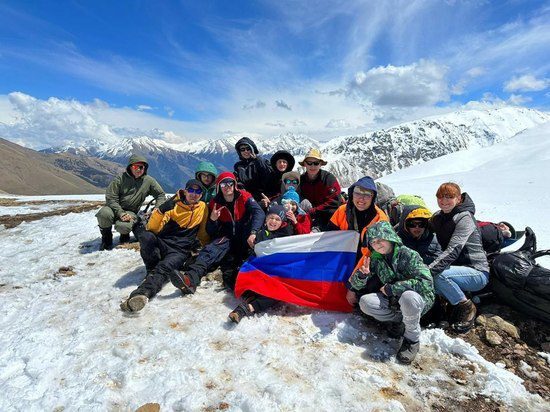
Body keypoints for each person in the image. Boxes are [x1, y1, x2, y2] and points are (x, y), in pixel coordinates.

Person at [348, 221, 434, 364]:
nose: (378, 244)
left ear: (390, 237)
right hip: (395, 302)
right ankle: (399, 323)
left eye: (380, 239)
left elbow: (425, 283)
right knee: (365, 302)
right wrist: (362, 276)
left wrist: (393, 288)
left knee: (408, 297)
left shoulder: (408, 254)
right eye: (374, 242)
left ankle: (411, 340)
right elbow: (356, 285)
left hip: (418, 300)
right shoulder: (375, 259)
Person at [120, 179, 209, 312]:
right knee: (146, 236)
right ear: (185, 191)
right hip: (163, 243)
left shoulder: (202, 208)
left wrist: (208, 248)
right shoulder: (173, 204)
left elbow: (202, 233)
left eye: (198, 191)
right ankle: (151, 269)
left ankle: (142, 294)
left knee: (164, 268)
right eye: (191, 190)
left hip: (179, 250)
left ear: (201, 194)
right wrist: (160, 211)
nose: (194, 194)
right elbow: (152, 228)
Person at [169, 171, 265, 293]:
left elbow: (259, 213)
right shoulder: (215, 203)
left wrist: (253, 232)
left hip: (245, 236)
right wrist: (213, 220)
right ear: (219, 186)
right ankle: (190, 279)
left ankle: (250, 288)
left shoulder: (245, 197)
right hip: (227, 237)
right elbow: (210, 231)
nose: (227, 186)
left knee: (248, 258)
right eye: (223, 184)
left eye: (230, 183)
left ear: (234, 184)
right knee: (210, 251)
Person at [429, 183, 490, 332]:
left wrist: (428, 270)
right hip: (456, 270)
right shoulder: (438, 217)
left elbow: (453, 250)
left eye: (449, 197)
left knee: (437, 276)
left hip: (476, 271)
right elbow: (422, 228)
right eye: (440, 197)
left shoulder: (464, 217)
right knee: (431, 276)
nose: (444, 201)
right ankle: (447, 309)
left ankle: (467, 308)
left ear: (459, 199)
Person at [326, 176, 389, 306]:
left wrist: (352, 287)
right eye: (358, 193)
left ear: (373, 198)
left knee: (367, 291)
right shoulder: (342, 211)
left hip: (367, 265)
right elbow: (329, 239)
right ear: (351, 193)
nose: (361, 198)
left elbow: (371, 257)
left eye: (367, 195)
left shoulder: (380, 220)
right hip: (344, 258)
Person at [228, 204, 294, 323]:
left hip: (273, 276)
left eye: (277, 219)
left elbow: (300, 239)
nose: (273, 221)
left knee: (278, 293)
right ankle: (250, 296)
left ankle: (246, 309)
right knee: (232, 276)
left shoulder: (285, 236)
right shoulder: (259, 234)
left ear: (282, 222)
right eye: (271, 218)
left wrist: (295, 222)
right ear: (266, 219)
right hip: (257, 272)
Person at [96, 154, 165, 250]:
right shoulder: (120, 179)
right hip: (113, 208)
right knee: (103, 214)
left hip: (130, 211)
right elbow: (111, 198)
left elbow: (160, 195)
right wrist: (120, 213)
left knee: (123, 226)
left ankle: (124, 236)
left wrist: (157, 208)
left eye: (142, 167)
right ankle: (106, 239)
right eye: (136, 167)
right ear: (130, 167)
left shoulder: (148, 181)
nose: (139, 169)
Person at [298, 148, 342, 230]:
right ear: (305, 164)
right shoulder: (301, 180)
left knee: (333, 212)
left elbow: (334, 201)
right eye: (309, 163)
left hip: (325, 213)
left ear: (320, 164)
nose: (312, 166)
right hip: (308, 212)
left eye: (316, 163)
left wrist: (314, 211)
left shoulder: (328, 178)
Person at [233, 137, 273, 201]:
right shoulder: (238, 166)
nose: (245, 151)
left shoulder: (261, 161)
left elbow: (268, 175)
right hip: (245, 197)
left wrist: (257, 160)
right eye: (242, 149)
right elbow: (237, 181)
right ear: (239, 152)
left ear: (252, 149)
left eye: (248, 149)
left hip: (262, 197)